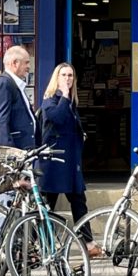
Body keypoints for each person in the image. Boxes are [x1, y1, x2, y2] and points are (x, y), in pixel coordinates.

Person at [36, 62, 102, 256]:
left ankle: (88, 243)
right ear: (56, 78)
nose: (67, 79)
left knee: (79, 202)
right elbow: (56, 118)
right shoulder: (51, 100)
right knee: (47, 206)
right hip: (53, 164)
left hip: (70, 164)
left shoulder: (71, 103)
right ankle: (39, 244)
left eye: (70, 76)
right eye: (63, 75)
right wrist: (64, 95)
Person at [0, 45, 36, 150]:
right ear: (14, 63)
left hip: (21, 153)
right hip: (12, 156)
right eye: (26, 62)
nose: (29, 66)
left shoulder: (13, 84)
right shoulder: (3, 84)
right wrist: (9, 152)